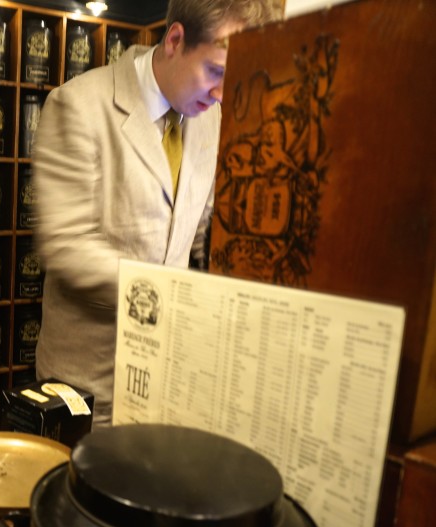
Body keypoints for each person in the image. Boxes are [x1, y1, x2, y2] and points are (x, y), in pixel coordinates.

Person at [32, 0, 279, 427]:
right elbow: (67, 247)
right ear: (176, 40)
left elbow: (199, 232)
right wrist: (178, 299)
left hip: (169, 383)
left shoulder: (211, 119)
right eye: (216, 71)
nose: (222, 93)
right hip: (89, 389)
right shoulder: (78, 105)